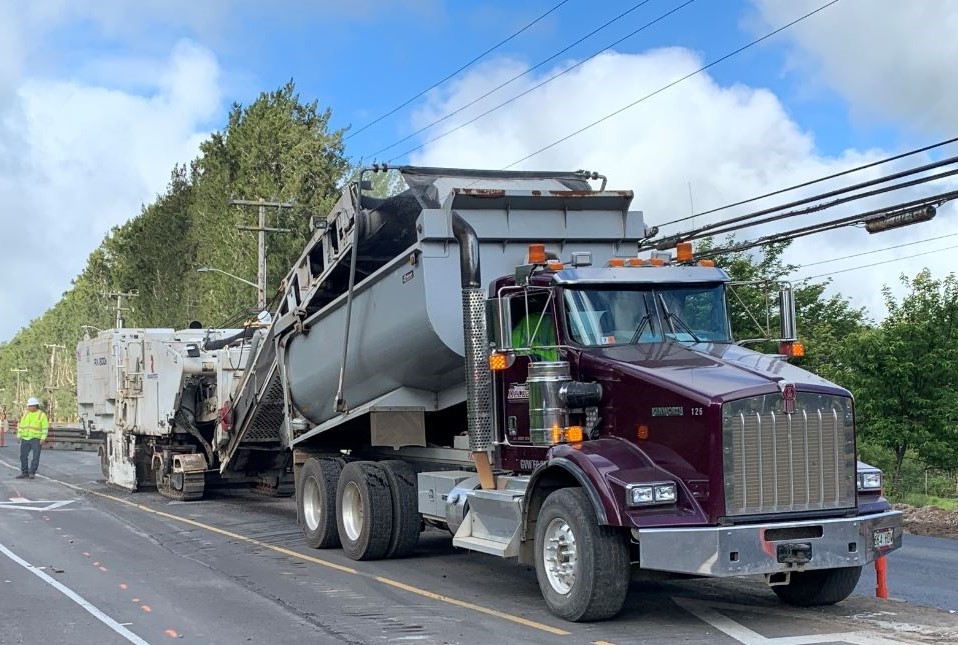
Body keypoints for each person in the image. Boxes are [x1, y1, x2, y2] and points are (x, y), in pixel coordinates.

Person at [17, 397, 48, 479]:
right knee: (23, 456)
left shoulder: (42, 415)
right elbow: (21, 425)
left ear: (35, 406)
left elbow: (45, 427)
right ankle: (24, 473)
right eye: (28, 406)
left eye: (31, 406)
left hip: (36, 438)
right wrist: (19, 435)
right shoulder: (26, 414)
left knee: (35, 457)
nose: (29, 407)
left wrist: (43, 438)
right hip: (25, 438)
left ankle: (32, 472)